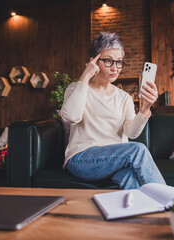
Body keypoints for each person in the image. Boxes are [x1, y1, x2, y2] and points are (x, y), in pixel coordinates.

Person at [60, 32, 166, 189]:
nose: (115, 68)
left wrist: (146, 108)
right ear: (93, 62)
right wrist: (84, 77)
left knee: (131, 178)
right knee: (138, 149)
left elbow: (131, 133)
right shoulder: (77, 89)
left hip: (116, 159)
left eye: (119, 62)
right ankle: (172, 202)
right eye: (109, 61)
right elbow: (71, 117)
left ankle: (139, 212)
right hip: (82, 159)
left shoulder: (124, 97)